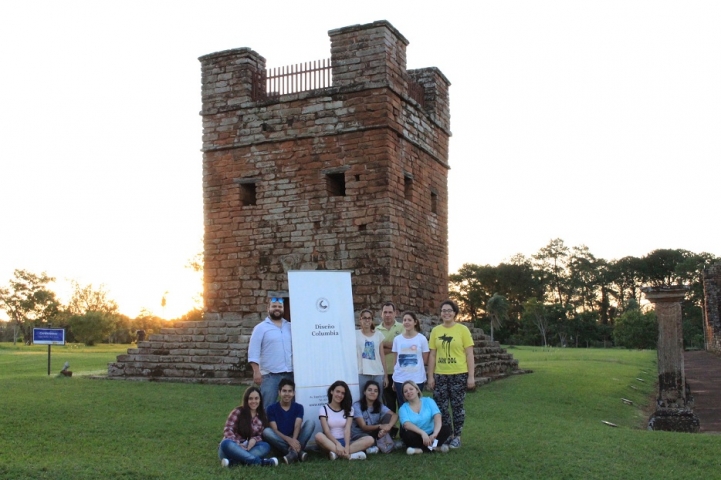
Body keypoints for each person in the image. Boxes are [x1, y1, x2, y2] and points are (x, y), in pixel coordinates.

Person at [427, 299, 475, 449]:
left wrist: (471, 376)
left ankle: (458, 436)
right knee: (441, 407)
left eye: (449, 310)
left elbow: (469, 354)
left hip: (459, 374)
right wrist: (430, 376)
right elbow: (433, 355)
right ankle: (447, 434)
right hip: (440, 374)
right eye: (443, 311)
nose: (446, 313)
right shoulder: (436, 331)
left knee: (457, 406)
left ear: (455, 313)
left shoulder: (462, 330)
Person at [218, 386, 279, 467]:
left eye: (256, 398)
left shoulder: (262, 416)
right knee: (225, 443)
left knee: (265, 446)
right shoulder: (238, 411)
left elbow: (261, 435)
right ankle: (262, 463)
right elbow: (228, 429)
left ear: (260, 400)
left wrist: (254, 439)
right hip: (232, 447)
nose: (253, 401)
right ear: (246, 400)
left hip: (248, 447)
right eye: (250, 399)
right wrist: (237, 444)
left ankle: (233, 463)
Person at [248, 297, 293, 404]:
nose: (277, 309)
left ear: (283, 309)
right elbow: (253, 351)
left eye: (279, 307)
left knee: (291, 406)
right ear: (268, 308)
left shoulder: (290, 327)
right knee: (267, 406)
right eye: (274, 306)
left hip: (290, 374)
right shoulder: (260, 328)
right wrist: (256, 372)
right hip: (270, 375)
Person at [315, 380, 374, 460]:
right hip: (331, 441)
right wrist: (337, 444)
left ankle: (337, 454)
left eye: (343, 393)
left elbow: (347, 429)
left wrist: (346, 445)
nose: (340, 395)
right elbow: (326, 431)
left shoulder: (349, 409)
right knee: (318, 436)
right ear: (332, 391)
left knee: (370, 439)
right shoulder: (324, 409)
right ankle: (350, 456)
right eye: (337, 392)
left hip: (347, 441)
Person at [262, 378, 314, 464]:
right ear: (279, 392)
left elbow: (298, 425)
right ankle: (298, 452)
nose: (287, 394)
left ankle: (292, 453)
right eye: (284, 391)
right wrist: (289, 441)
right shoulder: (271, 408)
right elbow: (274, 430)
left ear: (293, 393)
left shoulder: (299, 407)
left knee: (310, 423)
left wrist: (293, 439)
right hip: (280, 439)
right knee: (267, 432)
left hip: (295, 437)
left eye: (290, 391)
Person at [398, 380, 451, 455]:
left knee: (446, 429)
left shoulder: (428, 401)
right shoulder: (403, 408)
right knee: (407, 435)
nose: (408, 392)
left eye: (411, 389)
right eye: (405, 391)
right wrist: (423, 433)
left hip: (432, 435)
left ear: (417, 390)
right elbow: (406, 424)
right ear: (404, 396)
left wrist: (435, 434)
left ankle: (420, 450)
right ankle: (434, 448)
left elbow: (437, 416)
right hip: (417, 435)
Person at [391, 311, 430, 407]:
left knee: (416, 405)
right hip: (400, 379)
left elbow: (425, 360)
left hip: (417, 379)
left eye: (409, 320)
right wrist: (394, 378)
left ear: (415, 322)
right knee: (402, 406)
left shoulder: (422, 339)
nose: (406, 322)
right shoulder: (397, 339)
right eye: (404, 320)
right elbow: (395, 361)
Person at [351, 380, 398, 454]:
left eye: (375, 391)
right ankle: (382, 444)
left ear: (378, 394)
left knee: (388, 417)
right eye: (369, 390)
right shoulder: (357, 406)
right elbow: (364, 427)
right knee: (370, 440)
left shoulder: (379, 405)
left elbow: (395, 415)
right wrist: (380, 426)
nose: (372, 392)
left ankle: (377, 445)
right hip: (360, 434)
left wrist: (388, 426)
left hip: (374, 432)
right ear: (364, 392)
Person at [377, 301, 404, 412]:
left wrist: (382, 345)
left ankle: (405, 429)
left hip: (401, 372)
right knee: (389, 408)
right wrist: (394, 346)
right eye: (385, 312)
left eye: (390, 312)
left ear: (395, 313)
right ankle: (390, 429)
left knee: (404, 406)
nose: (387, 315)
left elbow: (403, 347)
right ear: (381, 314)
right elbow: (376, 351)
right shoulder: (376, 330)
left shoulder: (403, 328)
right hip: (384, 373)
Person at [356, 309, 387, 390]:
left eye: (369, 318)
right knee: (362, 399)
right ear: (360, 320)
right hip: (362, 372)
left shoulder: (378, 335)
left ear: (372, 320)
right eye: (364, 318)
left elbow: (382, 356)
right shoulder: (355, 334)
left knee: (378, 399)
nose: (367, 320)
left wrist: (386, 375)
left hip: (377, 372)